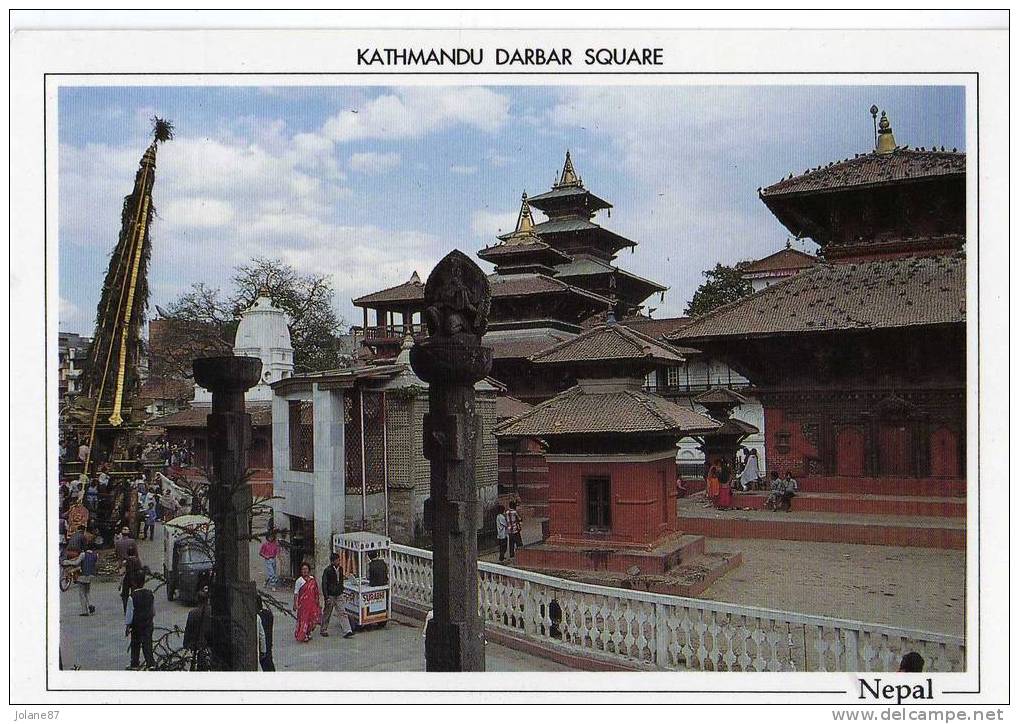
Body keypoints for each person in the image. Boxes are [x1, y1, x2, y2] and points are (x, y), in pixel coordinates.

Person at [124, 573, 156, 670]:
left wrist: (127, 626)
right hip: (148, 623)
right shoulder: (150, 593)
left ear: (134, 583)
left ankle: (135, 663)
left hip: (137, 624)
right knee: (147, 643)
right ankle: (150, 663)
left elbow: (130, 612)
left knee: (135, 643)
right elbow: (153, 609)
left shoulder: (132, 596)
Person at [320, 553, 354, 639]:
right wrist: (326, 596)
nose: (339, 561)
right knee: (327, 612)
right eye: (337, 560)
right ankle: (323, 629)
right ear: (333, 561)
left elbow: (341, 580)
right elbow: (324, 584)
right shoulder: (327, 570)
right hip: (331, 595)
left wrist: (341, 589)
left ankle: (347, 630)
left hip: (339, 594)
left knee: (342, 612)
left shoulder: (341, 569)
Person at [61, 546, 97, 616]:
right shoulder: (94, 555)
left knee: (81, 593)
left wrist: (67, 562)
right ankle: (91, 604)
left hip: (82, 575)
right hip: (90, 575)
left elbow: (76, 563)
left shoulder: (83, 554)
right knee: (87, 592)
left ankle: (85, 611)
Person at [183, 586, 212, 671]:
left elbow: (188, 629)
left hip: (199, 645)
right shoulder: (212, 611)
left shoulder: (193, 613)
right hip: (210, 643)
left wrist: (186, 644)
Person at [293, 561, 322, 642]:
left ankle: (308, 633)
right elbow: (296, 593)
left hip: (312, 604)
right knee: (304, 620)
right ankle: (303, 635)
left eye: (306, 569)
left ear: (309, 570)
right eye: (303, 569)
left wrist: (317, 603)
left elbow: (316, 592)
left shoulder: (312, 579)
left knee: (312, 620)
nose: (305, 571)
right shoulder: (299, 581)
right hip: (303, 605)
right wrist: (295, 604)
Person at [257, 600, 276, 671]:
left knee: (265, 663)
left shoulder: (258, 617)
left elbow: (261, 635)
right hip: (268, 642)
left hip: (263, 646)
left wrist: (262, 650)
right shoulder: (268, 614)